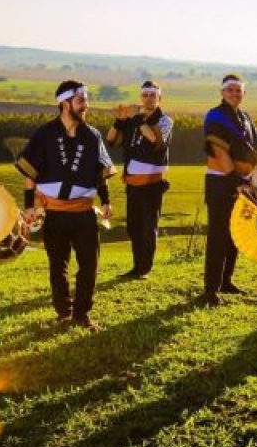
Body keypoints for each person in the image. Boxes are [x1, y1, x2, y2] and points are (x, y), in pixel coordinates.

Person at [16, 80, 115, 329]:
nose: (86, 106)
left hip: (83, 212)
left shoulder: (92, 135)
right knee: (58, 265)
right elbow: (30, 172)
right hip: (55, 213)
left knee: (89, 265)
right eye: (81, 101)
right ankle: (64, 312)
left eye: (86, 100)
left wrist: (106, 200)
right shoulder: (45, 134)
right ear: (64, 103)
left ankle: (81, 314)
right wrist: (29, 206)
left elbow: (100, 171)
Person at [201, 73, 257, 305]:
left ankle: (226, 281)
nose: (235, 94)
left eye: (239, 90)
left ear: (244, 94)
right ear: (222, 93)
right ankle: (210, 290)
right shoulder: (215, 116)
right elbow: (219, 152)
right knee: (218, 235)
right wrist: (237, 181)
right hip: (221, 182)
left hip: (244, 183)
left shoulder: (245, 118)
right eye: (230, 90)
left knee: (235, 232)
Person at [106, 80, 173, 279]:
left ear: (159, 99)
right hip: (133, 183)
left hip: (152, 183)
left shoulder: (165, 121)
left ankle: (145, 268)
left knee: (148, 226)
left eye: (153, 95)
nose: (149, 99)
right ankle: (136, 267)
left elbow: (154, 139)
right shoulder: (134, 120)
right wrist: (119, 120)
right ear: (140, 98)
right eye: (145, 95)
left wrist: (137, 119)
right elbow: (111, 141)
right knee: (134, 226)